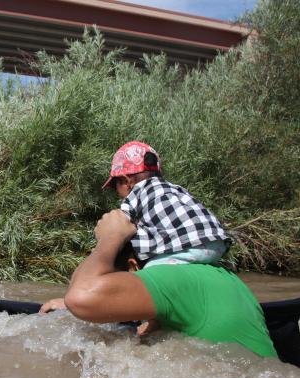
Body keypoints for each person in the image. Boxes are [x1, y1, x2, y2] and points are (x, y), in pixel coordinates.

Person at [40, 210, 277, 358]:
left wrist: (110, 238)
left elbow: (81, 297)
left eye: (113, 278)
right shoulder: (217, 275)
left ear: (133, 267)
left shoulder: (169, 279)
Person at [103, 141, 230, 268]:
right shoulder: (175, 189)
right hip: (217, 243)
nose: (117, 193)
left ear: (126, 181)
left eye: (115, 186)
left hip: (189, 245)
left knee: (149, 271)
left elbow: (121, 224)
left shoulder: (136, 194)